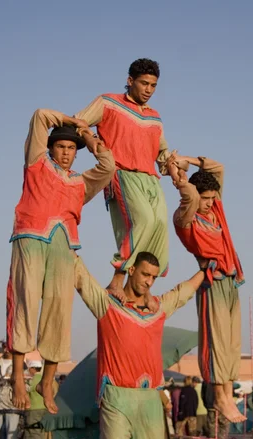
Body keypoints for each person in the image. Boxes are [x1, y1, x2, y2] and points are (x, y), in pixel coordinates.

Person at [74, 250, 205, 439]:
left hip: (149, 396)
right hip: (116, 395)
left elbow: (183, 292)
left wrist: (204, 270)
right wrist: (69, 244)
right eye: (144, 274)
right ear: (131, 270)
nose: (148, 281)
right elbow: (81, 279)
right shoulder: (108, 305)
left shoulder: (158, 308)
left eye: (153, 277)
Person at [7, 108, 115, 415]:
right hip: (30, 235)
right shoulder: (36, 164)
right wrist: (73, 122)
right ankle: (17, 375)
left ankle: (47, 381)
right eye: (61, 146)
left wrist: (87, 137)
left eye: (71, 149)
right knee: (25, 299)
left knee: (59, 308)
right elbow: (41, 116)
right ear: (51, 148)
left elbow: (108, 166)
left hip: (64, 243)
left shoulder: (81, 183)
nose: (66, 153)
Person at [74, 58, 176, 302]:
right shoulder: (109, 102)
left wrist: (173, 165)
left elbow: (162, 154)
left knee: (160, 225)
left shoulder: (155, 117)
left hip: (150, 178)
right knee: (144, 221)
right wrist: (91, 140)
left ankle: (145, 286)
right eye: (144, 83)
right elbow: (78, 121)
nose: (149, 90)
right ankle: (118, 278)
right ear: (130, 81)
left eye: (153, 85)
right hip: (122, 172)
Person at [171, 156, 245, 424]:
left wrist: (186, 159)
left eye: (213, 197)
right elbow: (189, 194)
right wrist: (177, 173)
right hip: (210, 280)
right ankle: (219, 396)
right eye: (205, 198)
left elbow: (217, 168)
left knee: (231, 342)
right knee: (215, 340)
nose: (210, 202)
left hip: (230, 280)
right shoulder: (186, 218)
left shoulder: (217, 212)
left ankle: (227, 392)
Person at [23, 361, 57, 439]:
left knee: (33, 433)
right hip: (44, 408)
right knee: (42, 433)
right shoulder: (45, 378)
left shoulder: (33, 379)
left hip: (33, 410)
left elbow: (26, 390)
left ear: (32, 368)